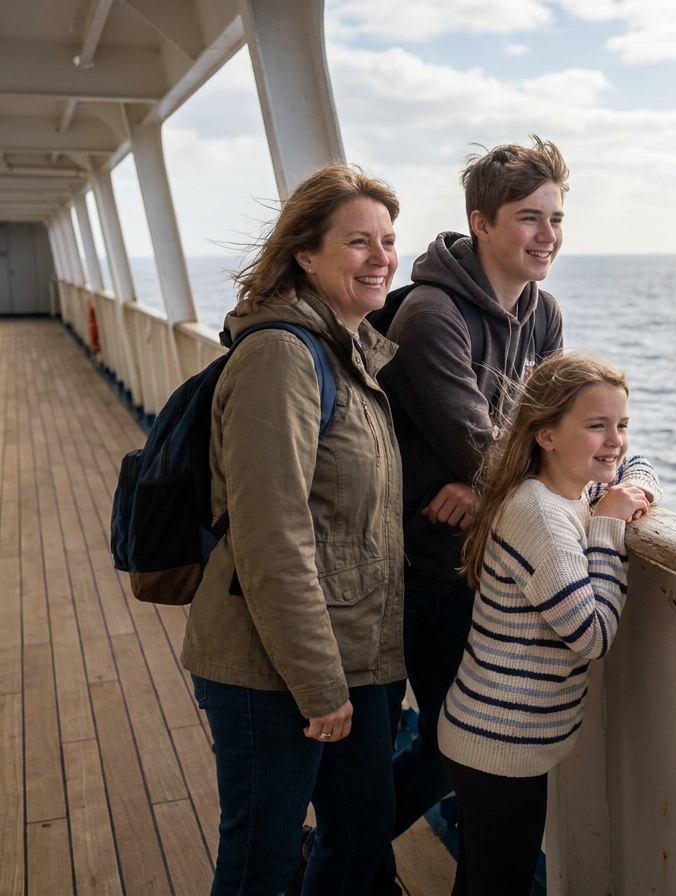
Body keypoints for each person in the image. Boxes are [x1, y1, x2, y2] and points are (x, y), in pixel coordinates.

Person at [179, 164, 405, 896]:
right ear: (306, 255)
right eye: (358, 242)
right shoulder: (282, 356)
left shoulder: (350, 350)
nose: (381, 258)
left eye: (388, 241)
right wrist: (318, 686)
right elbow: (272, 537)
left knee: (363, 826)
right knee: (261, 860)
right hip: (270, 666)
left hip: (352, 654)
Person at [377, 136, 569, 839]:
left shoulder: (543, 314)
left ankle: (339, 859)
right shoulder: (433, 316)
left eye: (554, 218)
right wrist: (493, 475)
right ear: (481, 222)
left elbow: (557, 436)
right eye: (528, 217)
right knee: (392, 749)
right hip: (398, 570)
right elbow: (485, 447)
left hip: (469, 567)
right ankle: (348, 865)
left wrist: (485, 488)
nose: (546, 236)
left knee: (453, 747)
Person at [440, 352, 660, 894]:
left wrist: (633, 490)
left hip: (497, 738)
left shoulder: (574, 488)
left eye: (622, 424)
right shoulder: (539, 515)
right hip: (499, 748)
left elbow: (636, 467)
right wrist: (608, 530)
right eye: (596, 426)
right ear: (546, 435)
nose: (616, 440)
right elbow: (593, 635)